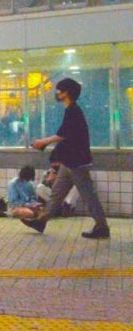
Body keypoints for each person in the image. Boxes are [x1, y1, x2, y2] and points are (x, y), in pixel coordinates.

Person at [22, 78, 110, 239]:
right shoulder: (71, 110)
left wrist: (43, 142)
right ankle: (41, 221)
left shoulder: (73, 111)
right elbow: (66, 136)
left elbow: (63, 134)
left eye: (59, 90)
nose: (56, 93)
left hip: (77, 163)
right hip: (70, 162)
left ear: (66, 93)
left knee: (88, 195)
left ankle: (102, 227)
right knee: (57, 193)